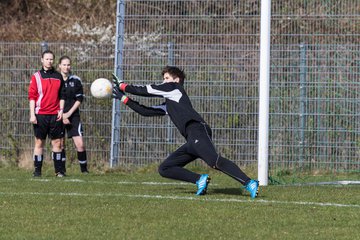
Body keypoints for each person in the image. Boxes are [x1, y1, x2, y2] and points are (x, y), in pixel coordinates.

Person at [112, 66, 259, 198]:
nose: (164, 81)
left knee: (213, 161)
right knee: (165, 168)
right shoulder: (170, 103)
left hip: (197, 130)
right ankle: (199, 180)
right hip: (191, 138)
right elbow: (145, 111)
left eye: (167, 78)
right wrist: (123, 98)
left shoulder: (175, 89)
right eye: (163, 79)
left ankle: (249, 183)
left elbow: (145, 90)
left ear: (176, 80)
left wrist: (123, 85)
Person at [28, 50, 66, 177]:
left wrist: (61, 110)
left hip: (55, 114)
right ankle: (37, 171)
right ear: (42, 60)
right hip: (40, 114)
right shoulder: (36, 76)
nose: (49, 61)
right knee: (39, 143)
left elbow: (62, 95)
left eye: (51, 59)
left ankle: (59, 171)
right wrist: (32, 114)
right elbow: (32, 97)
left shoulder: (58, 76)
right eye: (47, 59)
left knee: (57, 143)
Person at [58, 56, 89, 174]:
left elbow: (79, 98)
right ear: (59, 66)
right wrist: (62, 115)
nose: (66, 67)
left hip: (73, 116)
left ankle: (84, 171)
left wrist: (69, 113)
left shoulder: (76, 80)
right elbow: (53, 99)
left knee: (80, 145)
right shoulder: (55, 79)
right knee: (60, 144)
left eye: (68, 65)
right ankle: (61, 170)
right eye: (64, 65)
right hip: (58, 115)